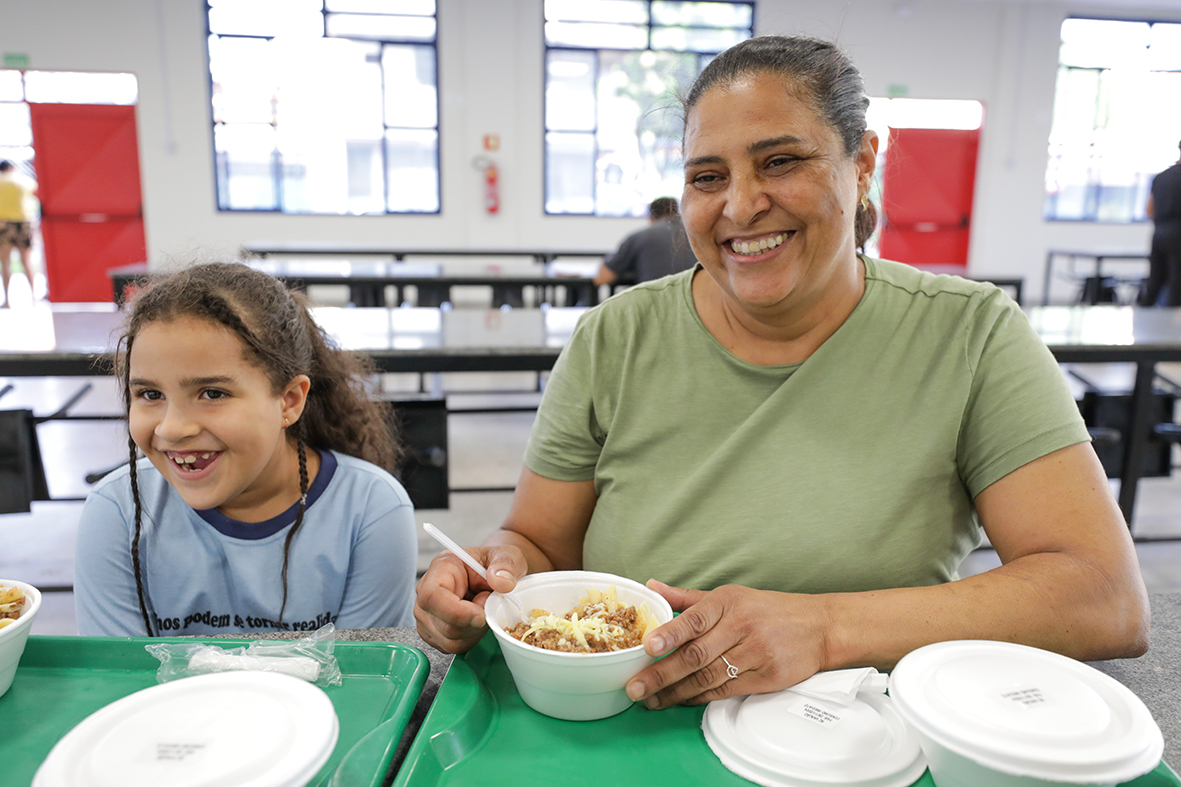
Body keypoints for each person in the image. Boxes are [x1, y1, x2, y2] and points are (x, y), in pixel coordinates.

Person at [415, 34, 1150, 710]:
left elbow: (1102, 596)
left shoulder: (969, 334)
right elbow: (540, 546)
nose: (740, 204)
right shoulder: (615, 337)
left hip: (870, 732)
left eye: (780, 160)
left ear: (861, 163)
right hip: (632, 715)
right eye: (708, 176)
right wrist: (496, 576)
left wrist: (824, 627)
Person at [74, 262, 418, 636]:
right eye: (150, 394)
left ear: (288, 401)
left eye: (213, 393)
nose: (172, 428)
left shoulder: (370, 509)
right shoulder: (117, 512)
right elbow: (120, 682)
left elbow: (365, 683)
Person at [593, 197, 698, 286]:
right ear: (678, 214)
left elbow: (602, 278)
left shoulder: (639, 237)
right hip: (697, 303)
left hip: (653, 304)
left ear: (651, 219)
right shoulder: (697, 235)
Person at [1139, 140, 1181, 306]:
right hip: (1178, 235)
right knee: (1177, 284)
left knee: (1155, 281)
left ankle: (1144, 324)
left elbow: (1149, 211)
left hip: (1159, 233)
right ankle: (1172, 329)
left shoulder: (1161, 177)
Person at [0, 160, 38, 307]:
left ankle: (7, 301)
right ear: (11, 168)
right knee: (26, 262)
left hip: (3, 225)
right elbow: (34, 190)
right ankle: (34, 298)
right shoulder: (22, 181)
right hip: (22, 223)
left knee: (5, 263)